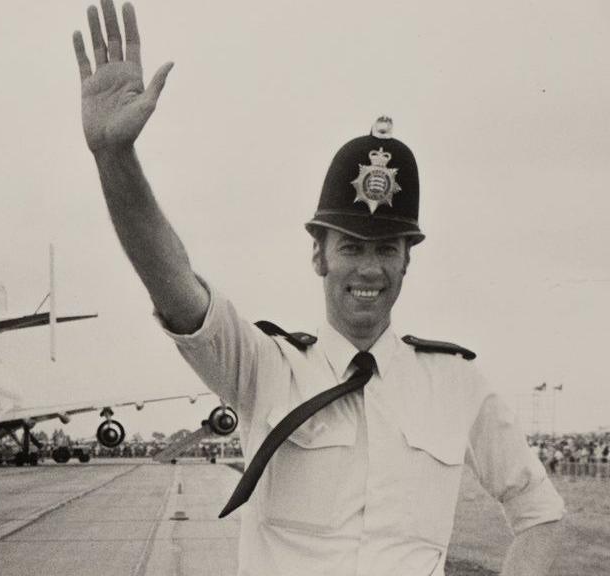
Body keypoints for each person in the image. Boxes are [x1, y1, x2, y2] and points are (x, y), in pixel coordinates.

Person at [70, 2, 564, 575]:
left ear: (408, 262)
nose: (369, 269)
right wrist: (115, 158)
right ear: (318, 256)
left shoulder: (455, 384)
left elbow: (540, 513)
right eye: (351, 247)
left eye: (386, 249)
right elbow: (173, 283)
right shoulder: (264, 368)